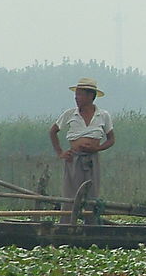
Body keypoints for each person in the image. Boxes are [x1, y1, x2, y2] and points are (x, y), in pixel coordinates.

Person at [49, 78, 115, 213]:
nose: (76, 98)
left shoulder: (103, 115)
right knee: (70, 195)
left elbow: (111, 139)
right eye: (76, 94)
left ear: (90, 96)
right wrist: (60, 153)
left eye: (80, 94)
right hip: (74, 159)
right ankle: (67, 225)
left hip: (92, 159)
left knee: (91, 195)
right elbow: (53, 131)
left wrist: (97, 148)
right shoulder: (69, 114)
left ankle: (90, 225)